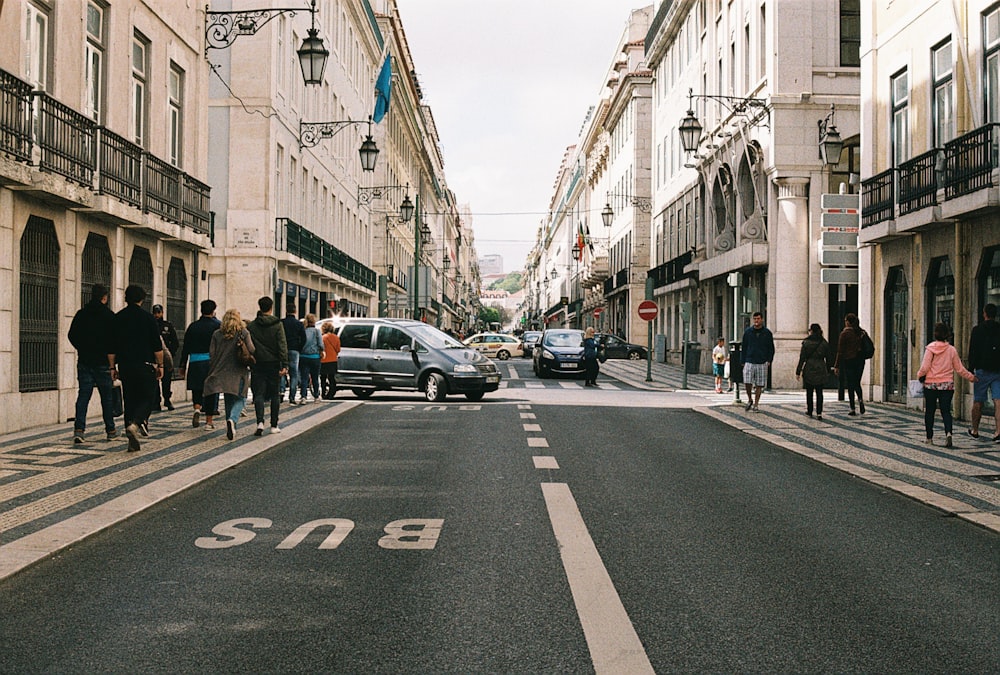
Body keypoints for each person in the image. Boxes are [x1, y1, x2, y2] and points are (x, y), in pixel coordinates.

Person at [109, 285, 163, 452]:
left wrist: (112, 367)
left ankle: (130, 434)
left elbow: (111, 346)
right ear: (142, 299)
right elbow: (157, 345)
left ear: (126, 298)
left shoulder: (118, 318)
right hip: (145, 365)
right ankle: (136, 423)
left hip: (125, 366)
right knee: (148, 397)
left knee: (130, 399)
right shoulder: (148, 319)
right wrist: (160, 365)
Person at [68, 283, 118, 444]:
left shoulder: (82, 314)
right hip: (103, 362)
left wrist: (82, 348)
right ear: (104, 297)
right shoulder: (109, 316)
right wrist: (113, 365)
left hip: (85, 361)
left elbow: (72, 335)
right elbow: (113, 342)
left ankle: (79, 430)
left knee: (83, 396)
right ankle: (110, 430)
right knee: (107, 398)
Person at [917, 322, 977, 448]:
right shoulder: (951, 350)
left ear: (935, 334)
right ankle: (948, 433)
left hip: (931, 385)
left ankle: (929, 438)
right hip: (947, 386)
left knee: (930, 412)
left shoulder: (930, 348)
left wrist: (919, 375)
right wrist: (971, 377)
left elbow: (925, 367)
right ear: (947, 335)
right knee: (946, 411)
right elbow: (959, 368)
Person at [203, 309, 255, 441]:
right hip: (239, 370)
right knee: (241, 398)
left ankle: (230, 426)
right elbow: (252, 349)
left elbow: (212, 353)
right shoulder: (243, 332)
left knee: (228, 399)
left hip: (222, 370)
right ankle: (232, 419)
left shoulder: (217, 334)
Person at [247, 296, 288, 435]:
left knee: (258, 393)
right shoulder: (277, 325)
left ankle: (259, 422)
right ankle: (274, 425)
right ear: (271, 307)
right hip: (273, 363)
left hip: (257, 363)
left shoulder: (252, 326)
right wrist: (285, 364)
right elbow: (282, 345)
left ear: (260, 307)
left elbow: (249, 345)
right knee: (274, 394)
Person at [179, 300, 221, 430]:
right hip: (211, 362)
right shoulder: (218, 326)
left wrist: (182, 365)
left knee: (197, 388)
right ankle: (209, 421)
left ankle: (197, 408)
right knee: (211, 391)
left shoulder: (193, 326)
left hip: (195, 361)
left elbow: (185, 347)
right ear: (213, 310)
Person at [967, 303, 1000, 442]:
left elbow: (972, 350)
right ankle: (998, 431)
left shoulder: (977, 330)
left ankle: (975, 430)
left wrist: (970, 369)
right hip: (998, 370)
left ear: (984, 313)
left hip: (981, 370)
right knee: (998, 401)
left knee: (978, 401)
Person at [795, 323, 833, 420]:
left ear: (811, 331)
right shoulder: (824, 343)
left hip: (809, 367)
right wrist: (829, 370)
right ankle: (819, 412)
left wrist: (798, 371)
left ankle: (810, 410)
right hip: (820, 366)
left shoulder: (806, 343)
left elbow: (802, 358)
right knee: (819, 392)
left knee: (809, 391)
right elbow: (829, 358)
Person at [833, 313, 868, 416]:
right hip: (860, 361)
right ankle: (860, 400)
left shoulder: (845, 334)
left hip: (849, 361)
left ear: (848, 322)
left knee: (851, 385)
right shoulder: (862, 332)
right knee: (857, 382)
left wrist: (836, 365)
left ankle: (852, 408)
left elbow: (840, 351)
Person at [741, 312, 775, 412]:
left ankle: (756, 404)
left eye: (758, 319)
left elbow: (771, 348)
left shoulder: (767, 333)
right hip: (749, 359)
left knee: (759, 384)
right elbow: (744, 347)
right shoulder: (748, 332)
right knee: (747, 381)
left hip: (761, 361)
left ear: (762, 319)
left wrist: (769, 360)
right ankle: (750, 399)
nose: (756, 321)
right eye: (755, 319)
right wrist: (742, 360)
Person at [151, 304, 179, 412]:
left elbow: (175, 342)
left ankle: (167, 399)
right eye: (155, 313)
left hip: (165, 359)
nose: (157, 315)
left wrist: (170, 353)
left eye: (159, 312)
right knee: (155, 382)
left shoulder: (167, 326)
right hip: (154, 359)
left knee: (166, 381)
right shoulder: (151, 325)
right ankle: (156, 403)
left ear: (162, 313)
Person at [281, 303, 306, 404]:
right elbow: (303, 338)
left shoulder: (281, 322)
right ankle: (292, 396)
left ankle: (281, 391)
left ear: (286, 310)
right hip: (294, 350)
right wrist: (299, 348)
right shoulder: (299, 324)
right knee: (294, 374)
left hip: (283, 350)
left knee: (282, 371)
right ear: (295, 311)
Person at [299, 313, 323, 402]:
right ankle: (316, 396)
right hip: (315, 357)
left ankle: (303, 396)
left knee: (304, 378)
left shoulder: (303, 331)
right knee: (315, 377)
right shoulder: (317, 331)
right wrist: (321, 350)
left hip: (303, 356)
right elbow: (321, 344)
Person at [320, 321, 341, 399]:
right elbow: (338, 350)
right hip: (333, 360)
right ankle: (331, 393)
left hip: (324, 360)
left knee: (323, 377)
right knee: (331, 377)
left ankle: (323, 393)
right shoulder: (336, 337)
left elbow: (320, 348)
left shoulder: (323, 338)